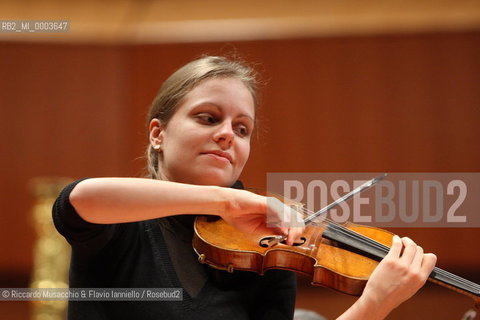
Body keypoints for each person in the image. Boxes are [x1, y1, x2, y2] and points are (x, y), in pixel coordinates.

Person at [52, 55, 437, 320]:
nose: (226, 136)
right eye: (208, 118)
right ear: (158, 133)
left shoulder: (268, 248)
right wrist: (230, 200)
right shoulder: (122, 221)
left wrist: (373, 305)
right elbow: (79, 199)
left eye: (242, 129)